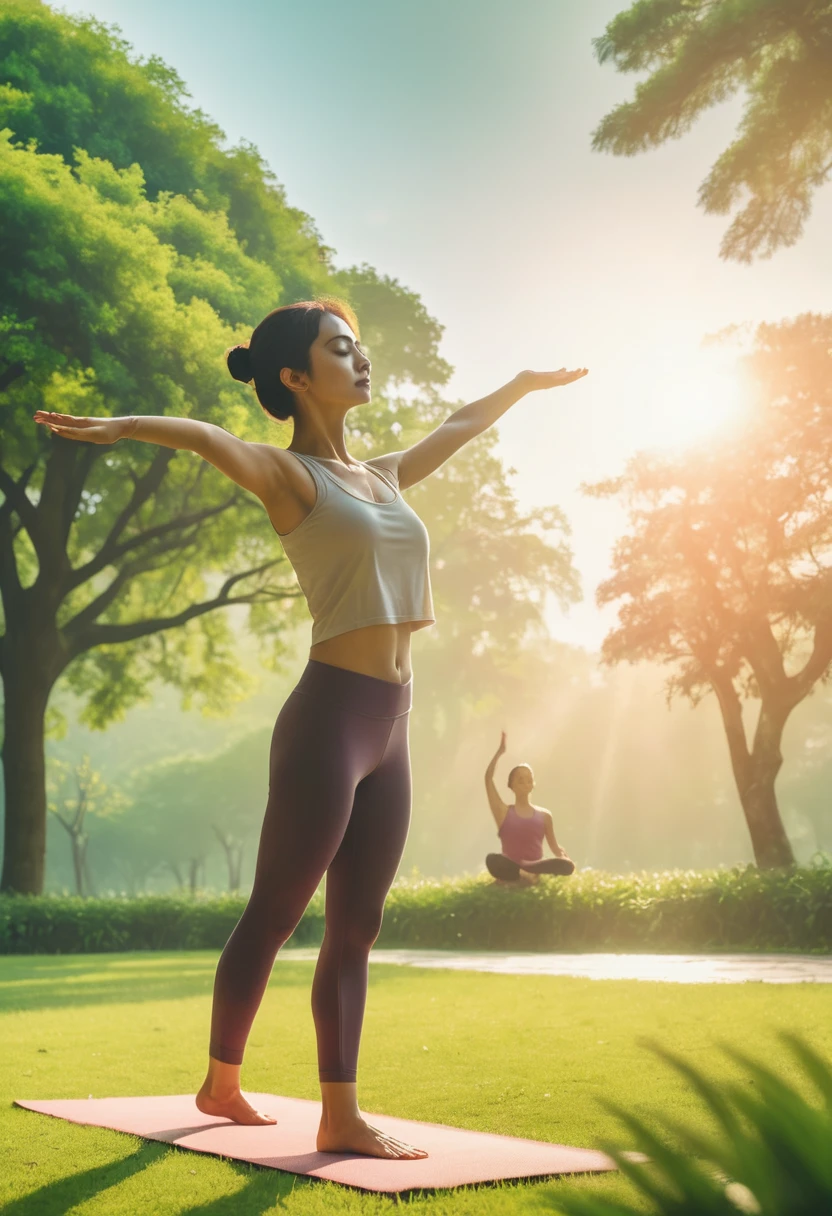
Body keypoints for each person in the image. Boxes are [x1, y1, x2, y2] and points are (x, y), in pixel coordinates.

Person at [34, 297, 587, 1159]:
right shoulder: (293, 478)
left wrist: (526, 381)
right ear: (295, 377)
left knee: (357, 926)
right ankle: (221, 1080)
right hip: (330, 717)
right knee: (276, 912)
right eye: (341, 349)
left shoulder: (384, 476)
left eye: (358, 347)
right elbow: (211, 439)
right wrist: (126, 426)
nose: (360, 359)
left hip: (393, 723)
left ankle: (340, 1113)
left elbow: (462, 421)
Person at [484, 730, 575, 884]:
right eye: (520, 780)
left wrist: (563, 857)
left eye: (529, 780)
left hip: (535, 866)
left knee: (567, 866)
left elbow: (554, 846)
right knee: (493, 860)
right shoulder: (503, 812)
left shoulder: (545, 815)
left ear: (532, 784)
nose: (525, 783)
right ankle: (522, 874)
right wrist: (499, 753)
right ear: (511, 785)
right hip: (511, 865)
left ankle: (527, 873)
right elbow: (488, 778)